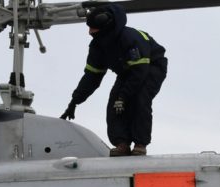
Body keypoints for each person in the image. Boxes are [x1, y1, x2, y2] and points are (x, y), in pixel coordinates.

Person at [60, 4, 167, 157]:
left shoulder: (130, 38)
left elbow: (139, 73)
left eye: (93, 28)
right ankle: (122, 143)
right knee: (114, 103)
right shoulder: (98, 47)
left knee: (140, 98)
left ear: (105, 26)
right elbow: (91, 76)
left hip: (150, 67)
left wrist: (123, 96)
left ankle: (140, 144)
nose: (90, 32)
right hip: (126, 71)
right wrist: (75, 101)